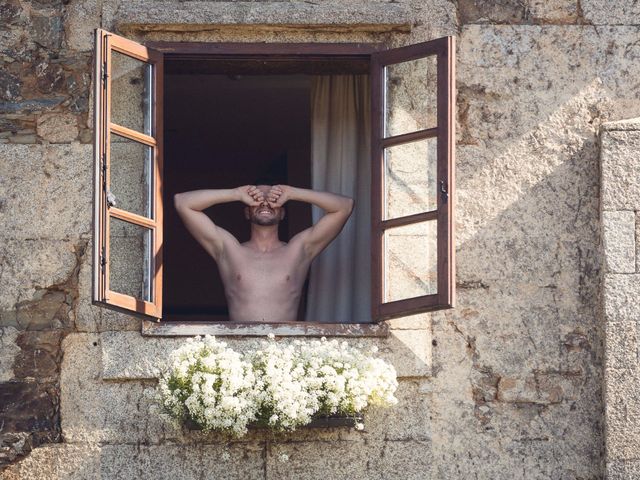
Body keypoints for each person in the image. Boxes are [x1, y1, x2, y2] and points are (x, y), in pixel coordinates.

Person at [174, 185, 354, 323]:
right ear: (247, 211)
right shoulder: (229, 249)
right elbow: (183, 202)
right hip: (238, 350)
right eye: (258, 200)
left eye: (273, 200)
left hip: (285, 351)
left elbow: (344, 207)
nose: (266, 203)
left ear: (282, 212)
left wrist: (291, 193)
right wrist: (236, 193)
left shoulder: (299, 250)